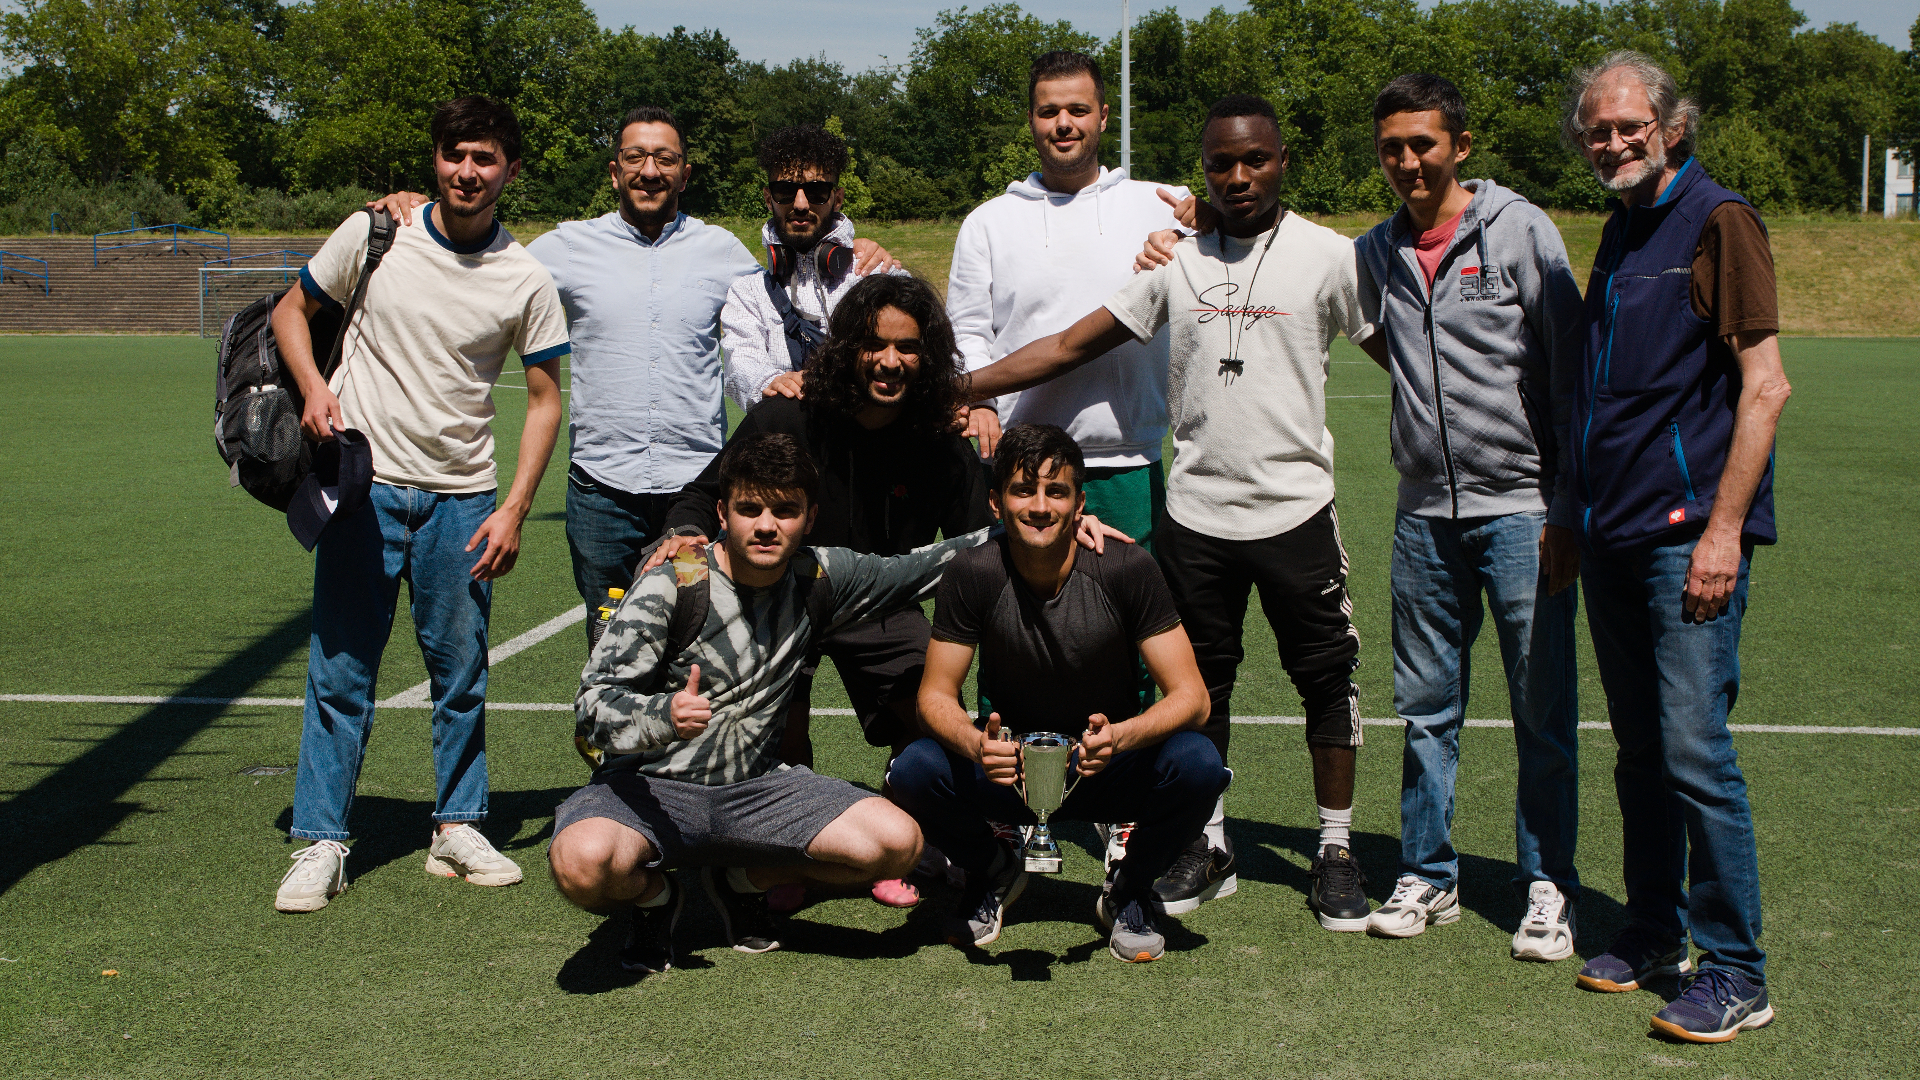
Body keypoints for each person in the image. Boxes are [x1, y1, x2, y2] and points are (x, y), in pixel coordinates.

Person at [965, 94, 1379, 933]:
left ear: (1282, 161)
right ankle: (1208, 841)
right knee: (1203, 684)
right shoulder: (1174, 262)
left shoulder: (1330, 256)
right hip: (1196, 513)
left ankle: (1335, 848)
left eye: (1255, 159)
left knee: (1325, 680)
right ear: (1204, 172)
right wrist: (959, 386)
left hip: (1296, 510)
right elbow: (1069, 345)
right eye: (1221, 163)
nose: (1239, 176)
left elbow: (1400, 350)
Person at [646, 274, 1123, 908]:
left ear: (929, 358)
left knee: (928, 715)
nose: (890, 361)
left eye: (909, 348)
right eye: (875, 344)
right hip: (782, 599)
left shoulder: (938, 437)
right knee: (779, 730)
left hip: (880, 603)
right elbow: (703, 495)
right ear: (847, 347)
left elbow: (986, 531)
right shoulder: (788, 416)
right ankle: (783, 855)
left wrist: (1064, 529)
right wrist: (683, 532)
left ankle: (905, 840)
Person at [368, 108, 893, 655]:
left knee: (700, 646)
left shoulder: (723, 251)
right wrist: (418, 208)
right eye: (636, 157)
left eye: (665, 158)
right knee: (611, 651)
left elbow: (796, 284)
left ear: (684, 174)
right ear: (615, 171)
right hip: (602, 494)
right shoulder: (566, 246)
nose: (649, 170)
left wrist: (860, 249)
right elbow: (484, 258)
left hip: (697, 490)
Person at [267, 96, 570, 913]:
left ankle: (457, 825)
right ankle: (322, 840)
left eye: (485, 158)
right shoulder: (377, 233)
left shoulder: (525, 277)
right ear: (435, 158)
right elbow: (291, 312)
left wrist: (514, 508)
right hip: (362, 489)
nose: (467, 171)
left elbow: (547, 400)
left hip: (463, 500)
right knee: (340, 672)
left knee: (461, 675)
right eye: (454, 154)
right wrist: (313, 387)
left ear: (510, 170)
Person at [549, 432, 993, 973]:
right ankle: (655, 898)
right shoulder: (675, 582)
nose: (766, 525)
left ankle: (743, 882)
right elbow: (593, 705)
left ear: (810, 517)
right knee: (580, 864)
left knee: (897, 843)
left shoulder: (818, 575)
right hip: (650, 790)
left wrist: (1026, 526)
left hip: (757, 790)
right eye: (749, 509)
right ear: (722, 513)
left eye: (785, 511)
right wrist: (663, 716)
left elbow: (921, 567)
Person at [1560, 51, 1789, 1044]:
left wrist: (1723, 532)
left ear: (1671, 127)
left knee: (1695, 751)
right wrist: (1573, 514)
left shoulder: (1719, 219)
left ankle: (1737, 970)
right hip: (1611, 534)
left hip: (1685, 538)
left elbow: (1765, 386)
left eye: (1629, 126)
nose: (1612, 143)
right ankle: (1656, 929)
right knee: (1642, 751)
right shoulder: (1622, 227)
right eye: (1597, 131)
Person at [944, 48, 1200, 900]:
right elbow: (968, 333)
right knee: (1011, 644)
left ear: (1102, 116)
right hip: (1022, 471)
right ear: (1031, 118)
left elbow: (1224, 235)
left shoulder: (1153, 202)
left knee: (1131, 645)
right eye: (1049, 110)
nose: (1064, 124)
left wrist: (1193, 224)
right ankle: (1013, 815)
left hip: (1123, 453)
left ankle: (1130, 817)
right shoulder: (990, 221)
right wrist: (980, 400)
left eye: (1078, 110)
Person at [1349, 75, 1586, 958]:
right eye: (1392, 148)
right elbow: (1382, 338)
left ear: (1460, 145)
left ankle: (1548, 884)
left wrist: (1566, 503)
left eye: (1423, 144)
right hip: (1422, 516)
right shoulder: (1375, 251)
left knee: (1541, 710)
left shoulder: (1520, 229)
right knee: (1425, 709)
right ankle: (1428, 873)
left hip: (1523, 511)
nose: (1408, 162)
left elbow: (1570, 365)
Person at [890, 424, 1226, 963]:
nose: (1041, 507)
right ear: (996, 503)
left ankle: (1130, 888)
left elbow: (1193, 698)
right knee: (913, 770)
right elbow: (934, 697)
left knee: (1199, 764)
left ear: (1080, 502)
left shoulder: (1126, 567)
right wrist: (978, 746)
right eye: (1023, 491)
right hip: (1013, 769)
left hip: (1104, 765)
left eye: (1057, 491)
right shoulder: (974, 572)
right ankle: (993, 869)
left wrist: (1120, 737)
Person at [722, 123, 904, 411]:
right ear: (769, 198)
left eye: (817, 191)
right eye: (785, 191)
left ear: (837, 198)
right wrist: (769, 383)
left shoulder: (881, 276)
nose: (800, 203)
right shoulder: (747, 293)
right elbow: (740, 363)